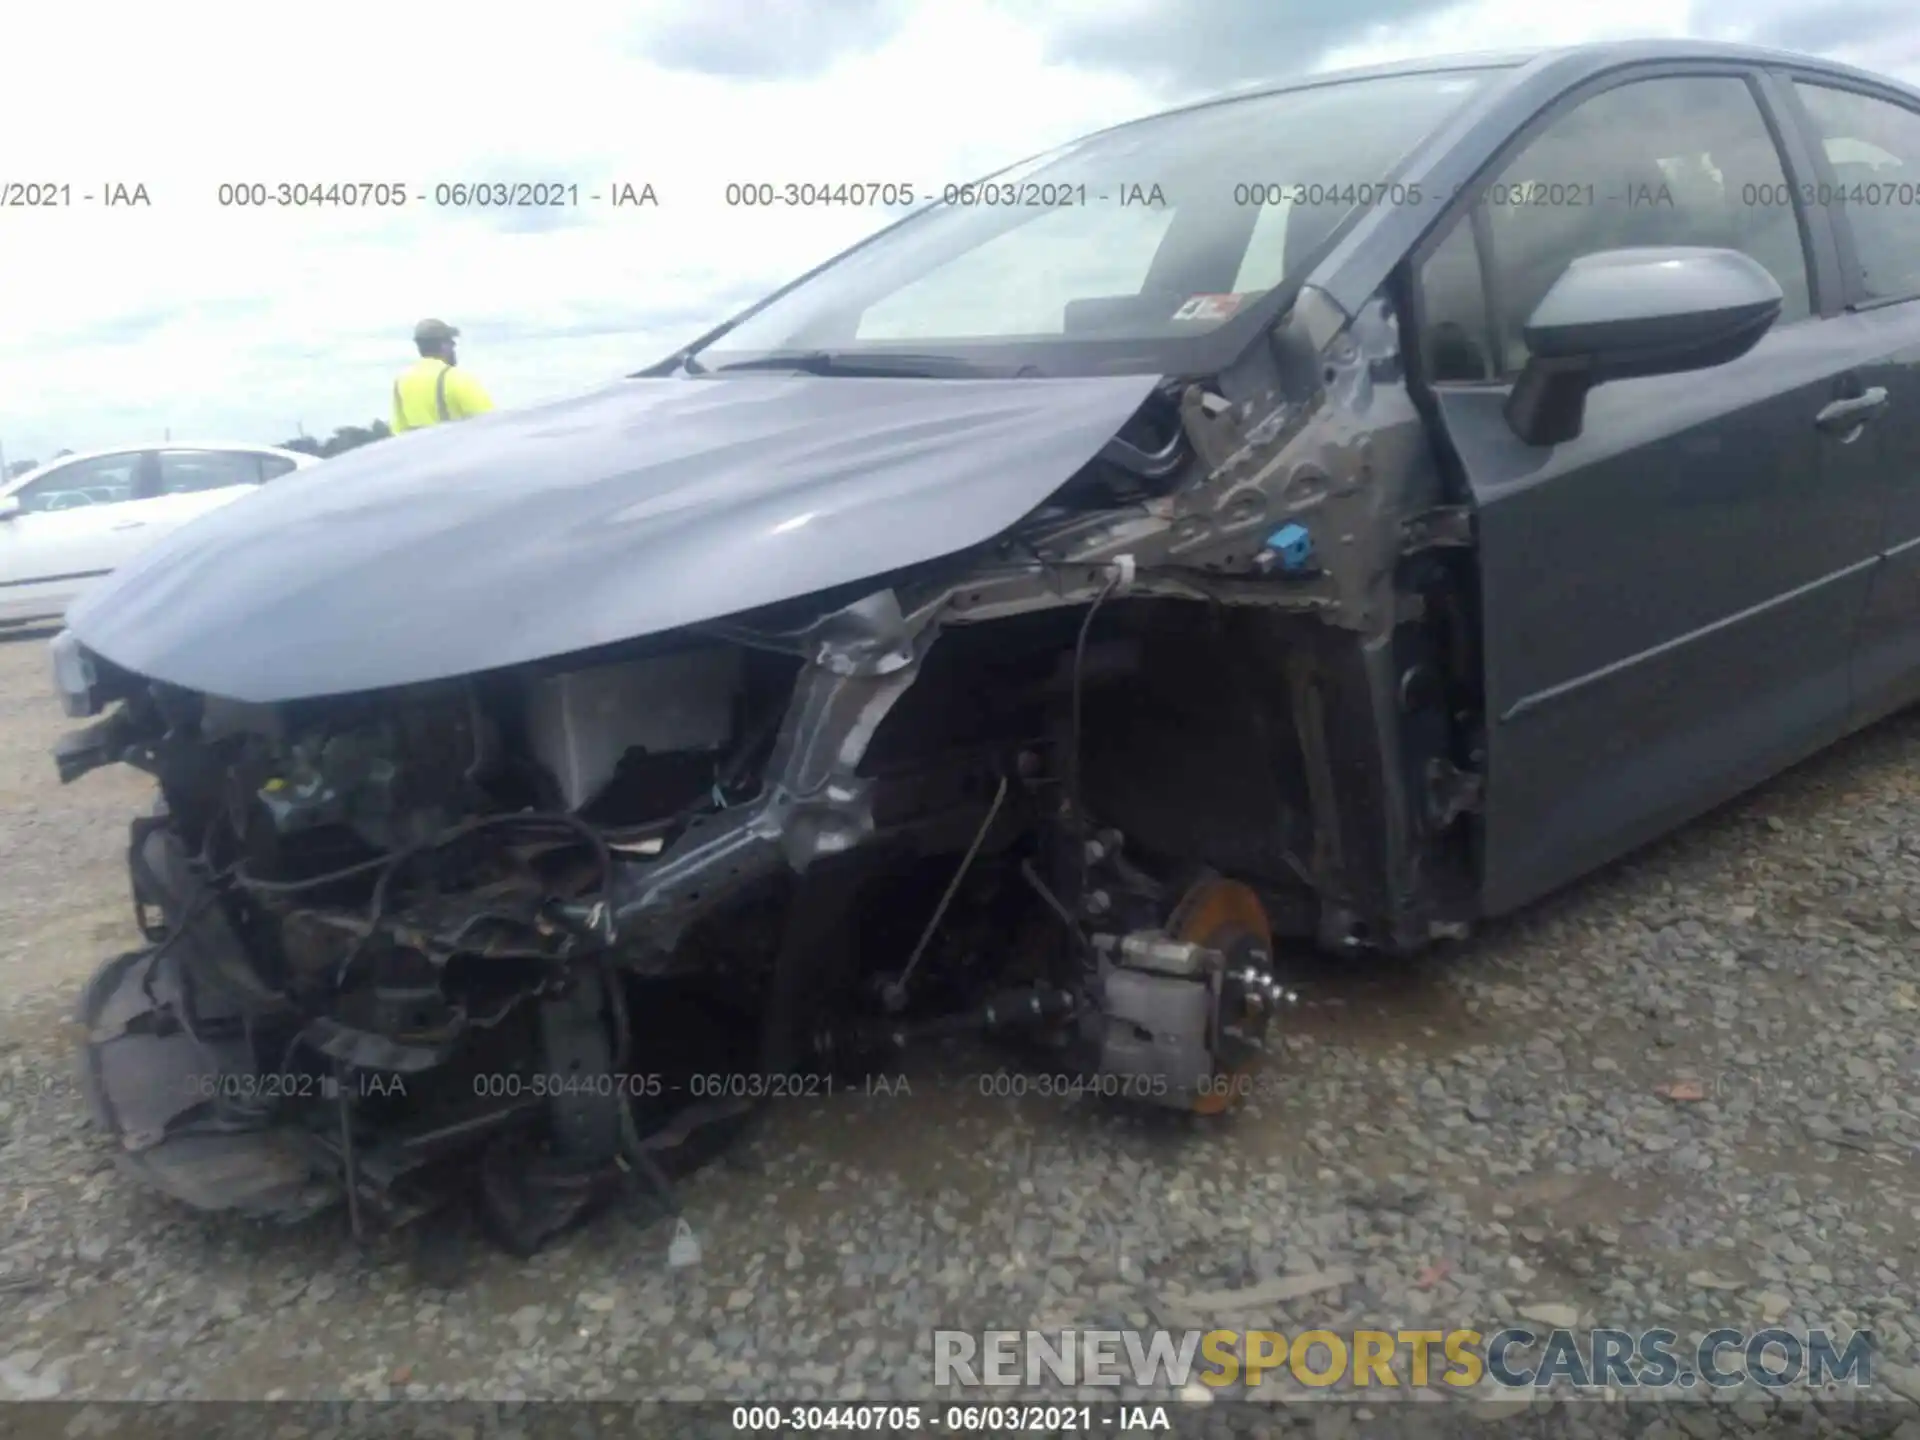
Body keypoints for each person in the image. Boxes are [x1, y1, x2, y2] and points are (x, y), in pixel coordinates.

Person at [391, 319, 493, 433]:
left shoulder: (401, 381)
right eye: (452, 343)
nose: (454, 348)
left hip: (419, 450)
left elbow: (398, 430)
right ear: (444, 345)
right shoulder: (458, 378)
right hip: (458, 449)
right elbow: (491, 424)